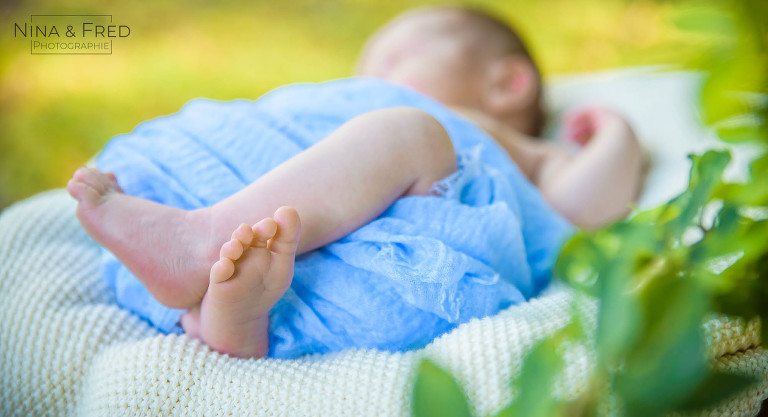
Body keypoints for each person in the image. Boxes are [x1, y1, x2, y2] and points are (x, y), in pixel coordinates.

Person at [66, 6, 644, 359]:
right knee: (265, 214)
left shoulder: (509, 149)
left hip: (415, 265)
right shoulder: (350, 133)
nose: (369, 81)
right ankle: (227, 318)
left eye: (393, 60)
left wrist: (617, 135)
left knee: (411, 131)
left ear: (507, 83)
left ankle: (202, 241)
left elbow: (588, 201)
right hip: (305, 265)